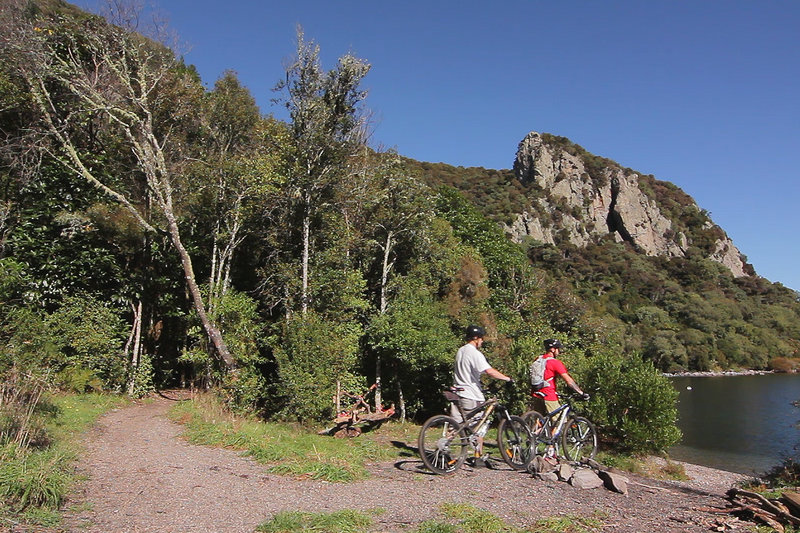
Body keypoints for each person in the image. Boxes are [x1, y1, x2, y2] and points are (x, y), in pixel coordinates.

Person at [452, 324, 513, 465]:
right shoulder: (474, 353)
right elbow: (489, 371)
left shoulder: (460, 351)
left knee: (455, 426)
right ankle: (477, 456)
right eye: (481, 338)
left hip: (458, 392)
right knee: (479, 425)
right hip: (471, 395)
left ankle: (445, 452)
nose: (482, 341)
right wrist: (507, 378)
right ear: (476, 338)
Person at [532, 339, 589, 456]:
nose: (559, 351)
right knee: (559, 422)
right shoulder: (555, 363)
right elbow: (568, 380)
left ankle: (531, 441)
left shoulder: (538, 359)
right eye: (558, 349)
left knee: (540, 421)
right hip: (549, 395)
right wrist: (580, 392)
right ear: (553, 349)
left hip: (536, 394)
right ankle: (550, 450)